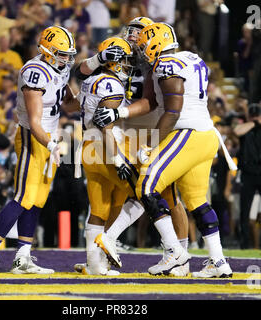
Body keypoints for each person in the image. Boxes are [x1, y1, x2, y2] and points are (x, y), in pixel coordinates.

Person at [93, 22, 235, 278]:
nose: (144, 49)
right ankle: (218, 261)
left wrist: (151, 144)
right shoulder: (190, 57)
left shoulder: (166, 64)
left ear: (157, 43)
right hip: (206, 136)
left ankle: (174, 252)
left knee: (145, 186)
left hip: (187, 134)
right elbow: (152, 101)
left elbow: (172, 110)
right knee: (198, 202)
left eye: (147, 44)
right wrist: (120, 111)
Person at [77, 17, 191, 276]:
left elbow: (150, 102)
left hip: (147, 130)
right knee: (119, 196)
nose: (133, 36)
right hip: (117, 132)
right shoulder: (117, 51)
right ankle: (101, 254)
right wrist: (98, 58)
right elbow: (79, 74)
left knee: (165, 194)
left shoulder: (154, 61)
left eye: (140, 33)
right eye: (131, 31)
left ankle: (177, 255)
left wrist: (120, 113)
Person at [0, 25, 78, 275]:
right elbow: (34, 123)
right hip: (33, 137)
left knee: (38, 200)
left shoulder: (60, 69)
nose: (66, 58)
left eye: (68, 54)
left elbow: (71, 105)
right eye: (61, 53)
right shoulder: (35, 72)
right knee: (23, 197)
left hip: (51, 137)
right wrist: (52, 144)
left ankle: (22, 258)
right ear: (46, 50)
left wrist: (90, 96)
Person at [74, 36, 137, 275]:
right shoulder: (112, 85)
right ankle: (109, 240)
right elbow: (106, 126)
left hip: (89, 149)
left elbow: (74, 105)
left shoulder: (91, 80)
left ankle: (94, 264)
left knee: (100, 209)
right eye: (125, 60)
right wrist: (118, 159)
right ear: (113, 61)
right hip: (106, 149)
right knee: (143, 194)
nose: (128, 65)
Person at [233, 103, 261, 249]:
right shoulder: (247, 126)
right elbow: (237, 132)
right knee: (245, 211)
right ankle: (244, 244)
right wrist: (254, 122)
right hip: (248, 174)